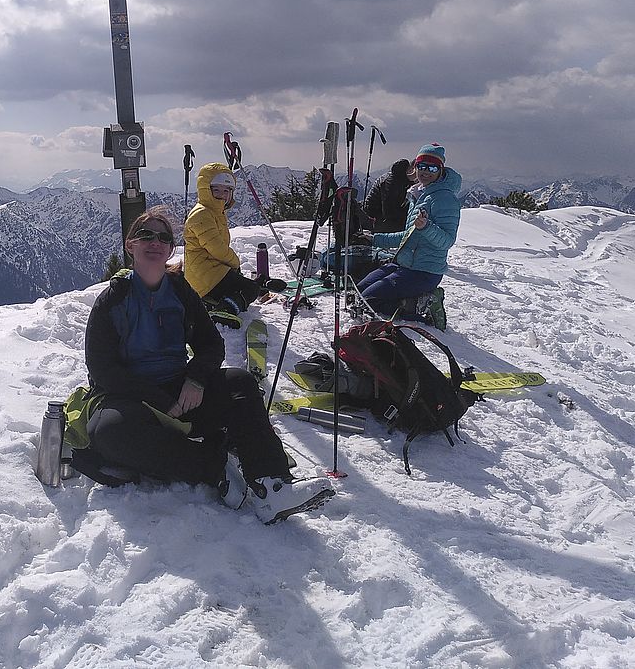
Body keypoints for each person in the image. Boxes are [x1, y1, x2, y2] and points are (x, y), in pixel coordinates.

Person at [82, 206, 335, 524]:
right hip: (132, 399)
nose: (155, 241)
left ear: (170, 249)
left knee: (240, 384)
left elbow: (210, 344)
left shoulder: (179, 291)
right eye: (146, 234)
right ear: (130, 245)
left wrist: (197, 379)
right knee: (108, 433)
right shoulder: (113, 300)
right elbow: (102, 370)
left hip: (181, 388)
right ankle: (213, 466)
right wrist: (159, 401)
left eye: (164, 237)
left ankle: (272, 488)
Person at [358, 144, 461, 317]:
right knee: (358, 291)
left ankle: (423, 307)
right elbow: (408, 236)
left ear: (440, 170)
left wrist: (426, 227)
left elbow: (447, 241)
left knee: (369, 301)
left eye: (432, 167)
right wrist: (374, 239)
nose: (425, 171)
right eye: (421, 166)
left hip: (425, 272)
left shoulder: (445, 198)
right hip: (404, 264)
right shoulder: (419, 195)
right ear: (415, 167)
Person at [183, 163, 259, 328]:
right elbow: (217, 248)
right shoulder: (202, 214)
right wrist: (235, 263)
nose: (222, 195)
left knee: (242, 285)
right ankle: (224, 310)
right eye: (216, 190)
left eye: (226, 191)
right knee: (250, 289)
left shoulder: (214, 212)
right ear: (206, 190)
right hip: (204, 275)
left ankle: (210, 301)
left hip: (208, 271)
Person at [362, 159, 414, 234]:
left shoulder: (399, 179)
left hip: (379, 216)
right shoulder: (391, 183)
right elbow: (389, 212)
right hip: (376, 219)